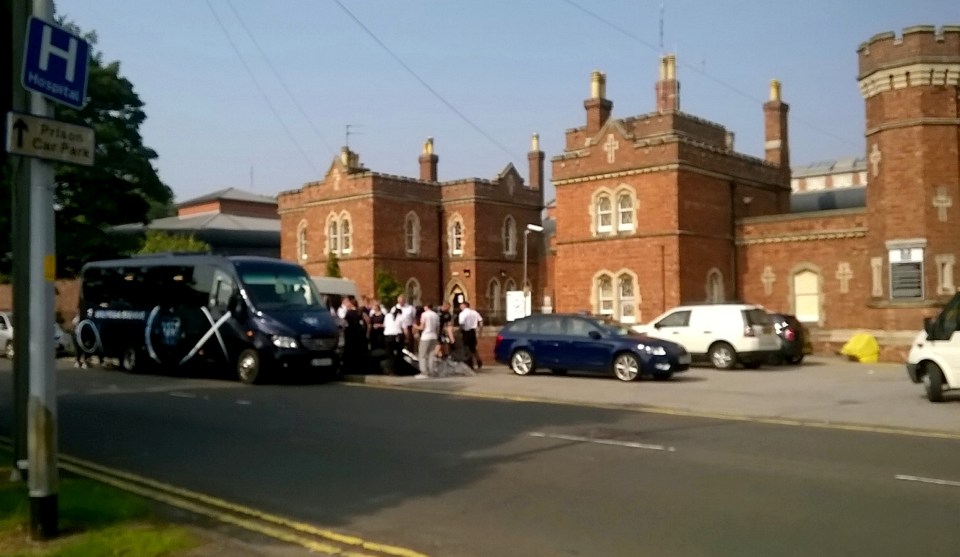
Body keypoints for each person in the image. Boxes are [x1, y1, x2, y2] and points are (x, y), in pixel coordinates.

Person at [414, 302, 440, 378]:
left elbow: (422, 327)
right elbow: (437, 328)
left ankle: (424, 372)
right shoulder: (436, 315)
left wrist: (415, 326)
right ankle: (431, 372)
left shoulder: (424, 314)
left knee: (422, 355)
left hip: (426, 336)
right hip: (434, 336)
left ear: (426, 307)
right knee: (431, 355)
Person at [458, 301, 484, 370]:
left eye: (461, 306)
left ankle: (470, 364)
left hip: (466, 332)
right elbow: (481, 321)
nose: (460, 307)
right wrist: (480, 332)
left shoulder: (462, 314)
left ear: (464, 306)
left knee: (466, 348)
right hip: (473, 332)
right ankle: (479, 361)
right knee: (473, 348)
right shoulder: (474, 312)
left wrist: (459, 331)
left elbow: (461, 323)